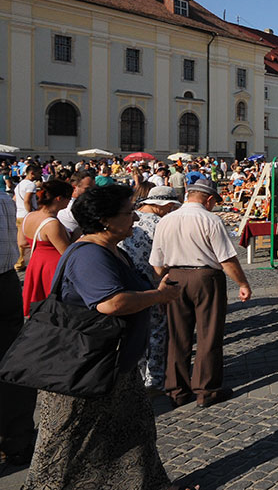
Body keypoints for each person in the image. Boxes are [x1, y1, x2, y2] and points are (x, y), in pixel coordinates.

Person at [22, 184, 182, 489]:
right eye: (127, 212)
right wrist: (157, 296)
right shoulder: (90, 255)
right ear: (105, 220)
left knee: (133, 435)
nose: (135, 218)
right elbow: (110, 303)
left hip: (114, 366)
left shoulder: (112, 250)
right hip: (86, 370)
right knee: (69, 445)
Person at [149, 178, 251, 409]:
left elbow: (156, 262)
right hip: (206, 278)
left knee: (177, 336)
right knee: (209, 334)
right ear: (209, 199)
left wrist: (162, 281)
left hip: (174, 277)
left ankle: (177, 390)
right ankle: (206, 390)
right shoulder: (210, 219)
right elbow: (226, 258)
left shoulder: (166, 221)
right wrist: (242, 283)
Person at [120, 186, 183, 391]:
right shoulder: (161, 223)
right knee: (156, 331)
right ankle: (155, 378)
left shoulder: (128, 218)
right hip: (154, 283)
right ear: (163, 206)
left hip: (127, 282)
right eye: (170, 207)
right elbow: (166, 259)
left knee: (134, 329)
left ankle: (136, 377)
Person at [0, 185, 35, 466]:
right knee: (11, 362)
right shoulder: (5, 200)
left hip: (6, 282)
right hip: (6, 283)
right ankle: (16, 440)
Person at [20, 179, 74, 316]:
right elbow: (67, 252)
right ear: (59, 198)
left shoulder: (29, 216)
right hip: (52, 267)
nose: (69, 201)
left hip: (36, 263)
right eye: (68, 198)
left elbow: (22, 242)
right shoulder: (52, 223)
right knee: (53, 307)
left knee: (39, 306)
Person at [13, 163, 41, 271]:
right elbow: (27, 200)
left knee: (20, 241)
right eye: (38, 173)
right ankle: (30, 262)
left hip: (19, 214)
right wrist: (31, 213)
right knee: (31, 240)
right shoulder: (31, 185)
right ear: (32, 173)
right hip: (26, 215)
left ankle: (19, 262)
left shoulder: (20, 184)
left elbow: (15, 199)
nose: (40, 175)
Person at [57, 169, 95, 239]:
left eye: (94, 189)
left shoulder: (67, 202)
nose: (92, 192)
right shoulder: (72, 206)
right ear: (74, 188)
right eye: (87, 189)